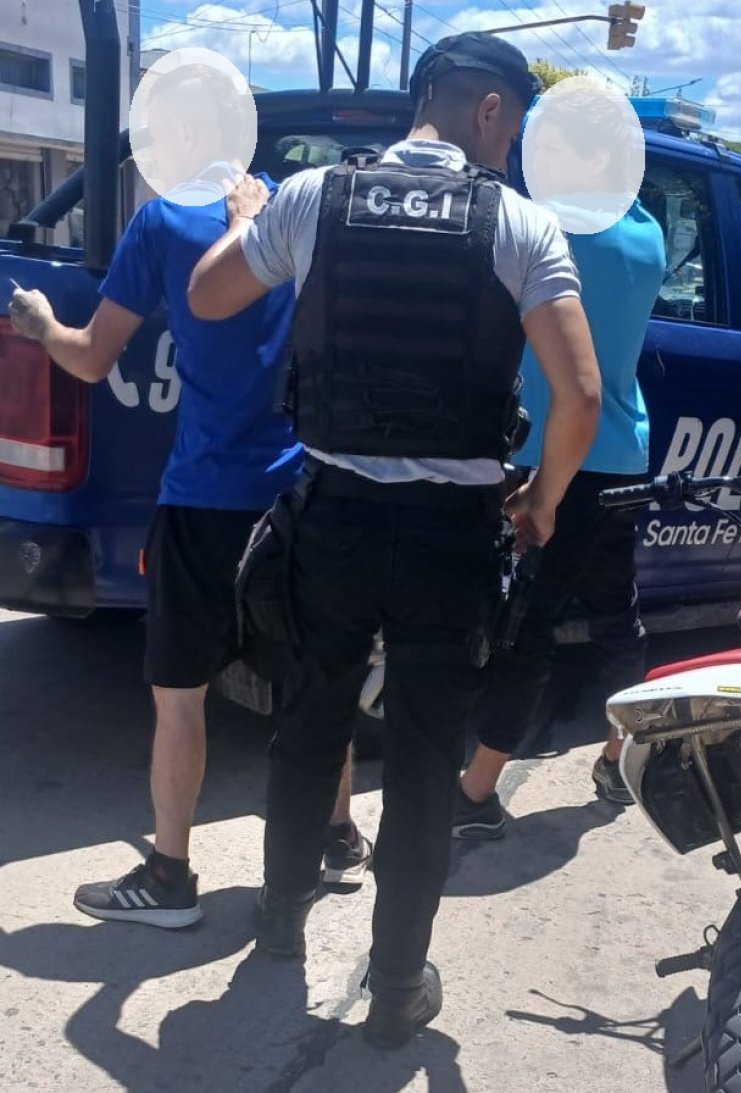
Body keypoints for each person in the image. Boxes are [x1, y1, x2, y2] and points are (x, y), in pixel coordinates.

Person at [188, 31, 600, 1047]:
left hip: (328, 520)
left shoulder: (314, 197)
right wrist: (542, 500)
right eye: (516, 127)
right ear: (490, 110)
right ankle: (398, 985)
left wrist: (245, 219)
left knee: (309, 724)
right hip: (447, 543)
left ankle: (280, 924)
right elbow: (581, 394)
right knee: (420, 762)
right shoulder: (517, 224)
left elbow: (207, 295)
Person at [8, 65, 371, 930]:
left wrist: (37, 324)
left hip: (203, 495)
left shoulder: (163, 221)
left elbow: (93, 357)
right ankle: (339, 836)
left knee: (180, 693)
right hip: (298, 492)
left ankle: (169, 877)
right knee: (313, 675)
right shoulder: (296, 208)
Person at [453, 84, 667, 839]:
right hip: (624, 455)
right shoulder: (646, 236)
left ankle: (476, 793)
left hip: (552, 457)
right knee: (616, 614)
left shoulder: (545, 229)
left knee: (529, 622)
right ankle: (618, 757)